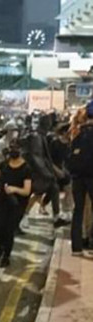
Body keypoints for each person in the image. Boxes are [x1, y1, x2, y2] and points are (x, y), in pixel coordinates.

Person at [0, 139, 32, 267]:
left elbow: (27, 191)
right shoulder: (4, 164)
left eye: (16, 148)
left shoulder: (26, 168)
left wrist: (14, 189)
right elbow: (0, 178)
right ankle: (2, 245)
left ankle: (6, 256)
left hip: (17, 204)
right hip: (2, 201)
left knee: (9, 230)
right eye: (11, 147)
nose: (13, 150)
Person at [67, 102, 93, 256]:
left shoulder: (77, 133)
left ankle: (76, 248)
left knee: (78, 210)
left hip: (77, 178)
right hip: (91, 177)